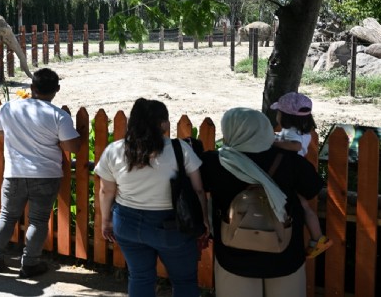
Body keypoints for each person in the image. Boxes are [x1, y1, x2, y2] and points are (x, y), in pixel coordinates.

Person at [200, 107, 323, 297]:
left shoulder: (215, 162)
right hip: (285, 253)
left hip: (234, 256)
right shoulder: (291, 162)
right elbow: (312, 189)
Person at [94, 98, 209, 297]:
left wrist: (105, 221)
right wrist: (204, 220)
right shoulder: (179, 149)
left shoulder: (115, 150)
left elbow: (106, 191)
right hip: (171, 225)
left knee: (140, 277)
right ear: (163, 123)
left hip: (127, 222)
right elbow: (199, 190)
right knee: (184, 280)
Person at [0, 68, 81, 278]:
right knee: (38, 221)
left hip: (14, 173)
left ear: (32, 88)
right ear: (57, 89)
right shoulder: (59, 115)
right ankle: (29, 264)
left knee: (6, 216)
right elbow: (73, 147)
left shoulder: (8, 108)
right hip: (46, 175)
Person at [271, 92, 332, 258]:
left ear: (285, 116)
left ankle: (318, 238)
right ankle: (317, 238)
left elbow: (296, 147)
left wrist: (274, 142)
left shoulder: (292, 134)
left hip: (292, 172)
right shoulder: (300, 131)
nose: (277, 115)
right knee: (304, 205)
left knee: (303, 206)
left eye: (279, 112)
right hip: (296, 172)